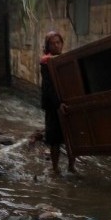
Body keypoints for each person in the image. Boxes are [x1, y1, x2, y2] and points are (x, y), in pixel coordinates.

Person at [40, 31, 77, 175]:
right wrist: (57, 104)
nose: (56, 46)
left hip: (67, 102)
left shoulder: (65, 59)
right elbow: (48, 87)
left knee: (71, 137)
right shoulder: (46, 62)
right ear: (48, 46)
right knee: (55, 138)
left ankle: (71, 167)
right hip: (53, 105)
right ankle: (55, 168)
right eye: (53, 43)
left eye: (58, 42)